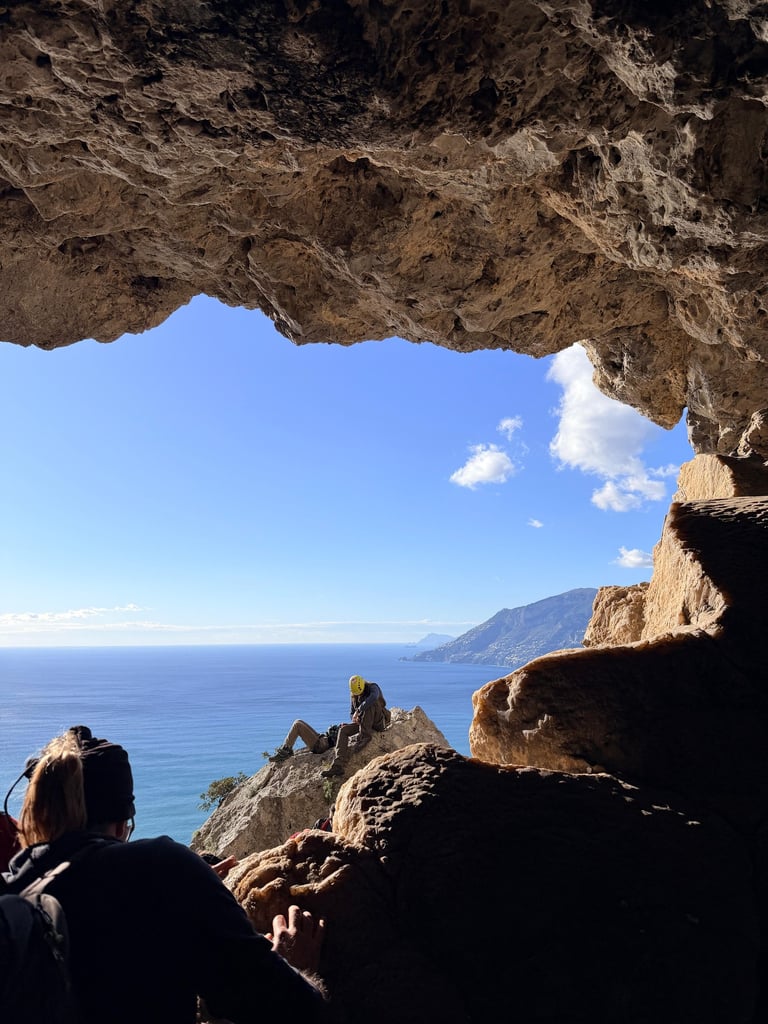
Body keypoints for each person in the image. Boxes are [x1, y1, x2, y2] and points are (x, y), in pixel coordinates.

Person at [2, 725, 327, 1024]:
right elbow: (294, 1007)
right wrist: (293, 963)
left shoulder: (15, 889)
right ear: (121, 824)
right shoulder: (161, 869)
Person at [321, 675, 390, 778]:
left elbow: (373, 697)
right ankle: (338, 766)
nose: (359, 694)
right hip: (364, 723)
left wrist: (359, 710)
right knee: (343, 730)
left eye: (360, 692)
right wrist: (354, 718)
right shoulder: (354, 696)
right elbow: (351, 713)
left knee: (369, 704)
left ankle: (365, 736)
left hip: (379, 722)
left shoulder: (373, 687)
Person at [269, 720, 339, 763]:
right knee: (298, 721)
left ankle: (285, 752)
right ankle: (287, 749)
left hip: (320, 745)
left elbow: (335, 740)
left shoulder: (345, 734)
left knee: (297, 725)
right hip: (322, 738)